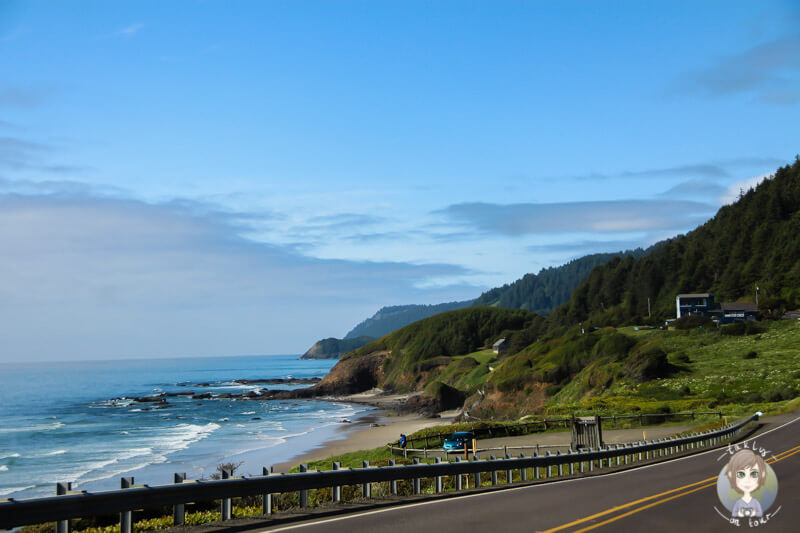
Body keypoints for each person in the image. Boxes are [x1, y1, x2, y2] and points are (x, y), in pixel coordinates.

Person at [725, 449, 767, 518]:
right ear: (731, 475)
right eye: (741, 474)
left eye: (754, 474)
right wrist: (739, 513)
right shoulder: (738, 503)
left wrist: (754, 513)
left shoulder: (755, 502)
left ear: (762, 475)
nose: (747, 480)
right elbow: (734, 514)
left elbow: (760, 513)